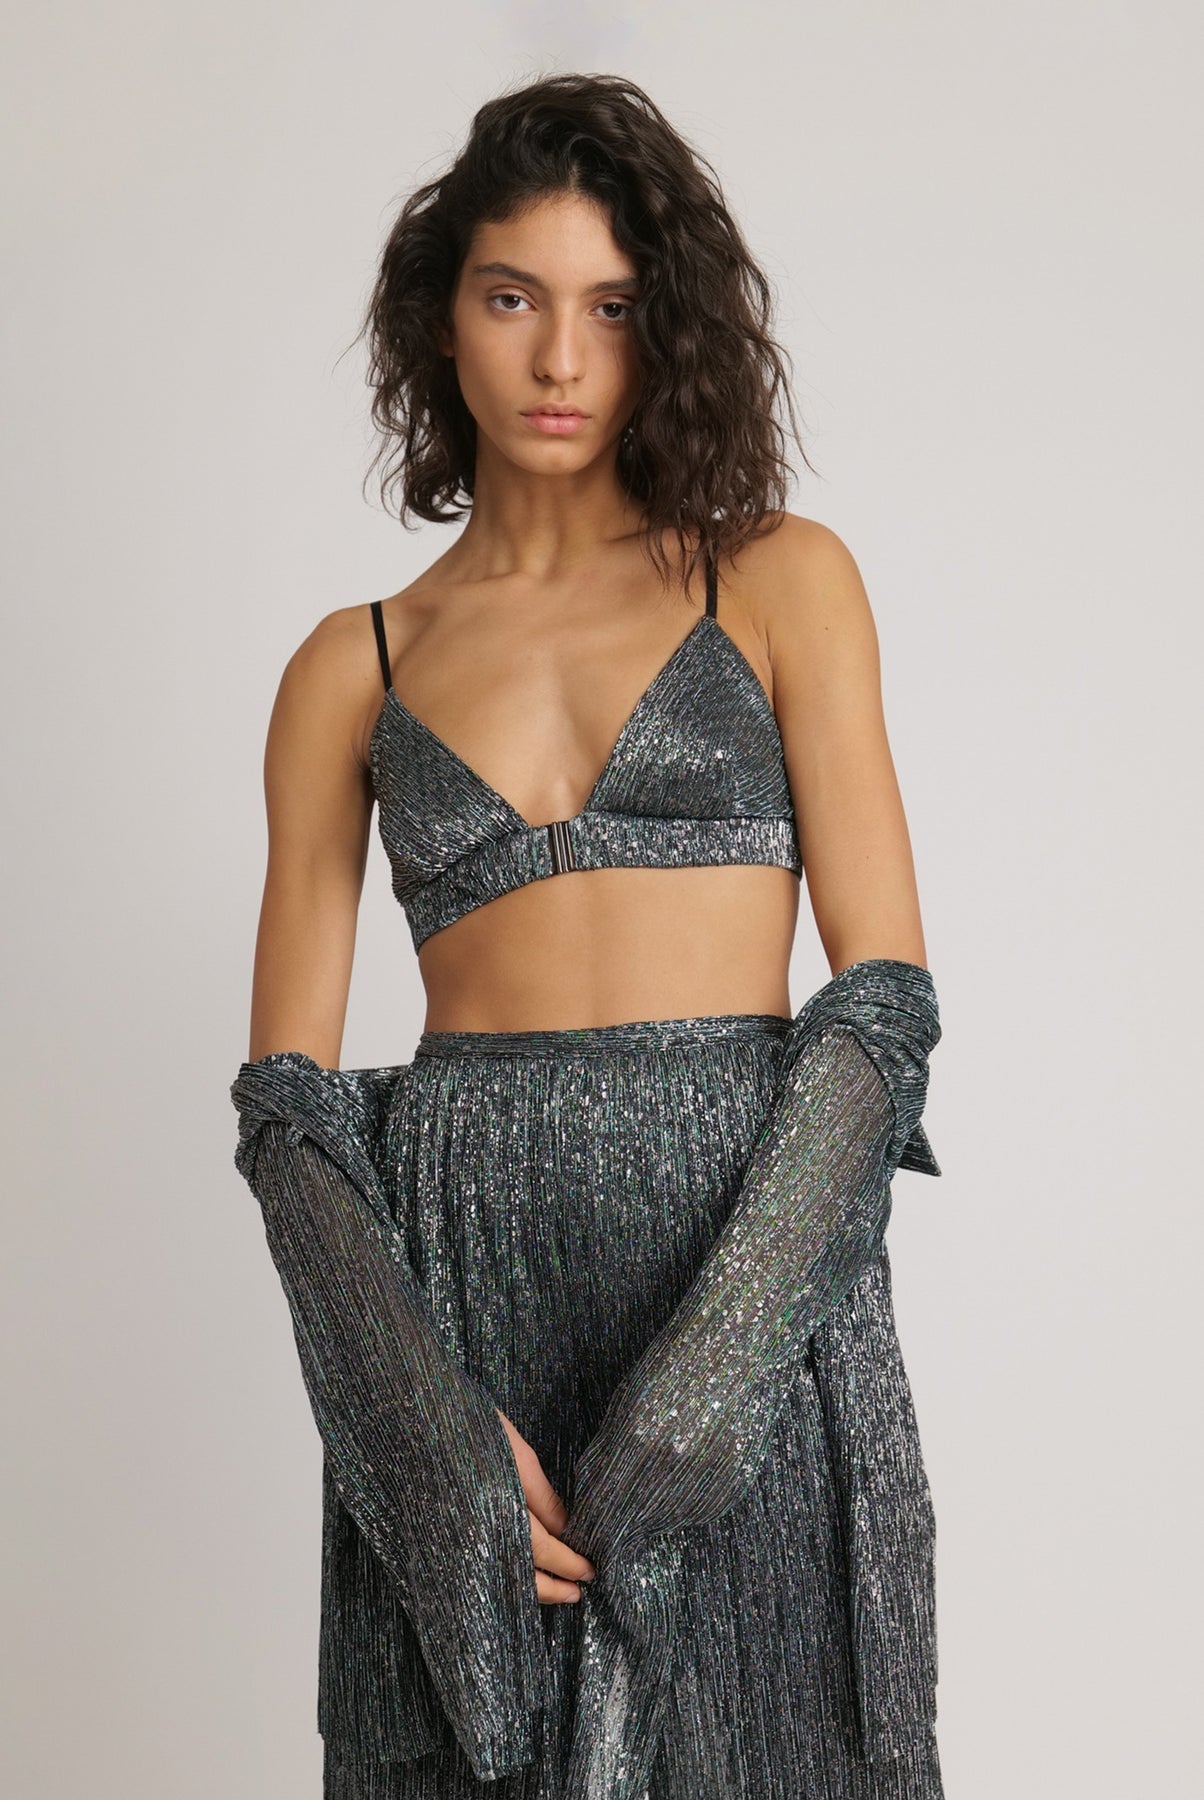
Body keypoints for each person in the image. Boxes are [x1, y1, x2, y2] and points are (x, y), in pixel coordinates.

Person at [231, 72, 946, 1800]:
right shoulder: (352, 667)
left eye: (612, 309)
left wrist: (715, 1383)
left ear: (665, 327)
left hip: (750, 1265)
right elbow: (288, 1113)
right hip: (465, 1298)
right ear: (442, 319)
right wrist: (418, 1433)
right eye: (513, 299)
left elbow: (881, 1008)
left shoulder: (778, 578)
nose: (561, 359)